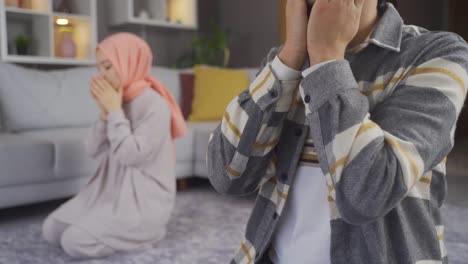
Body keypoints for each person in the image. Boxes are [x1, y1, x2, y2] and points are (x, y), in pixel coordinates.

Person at [207, 0, 468, 263]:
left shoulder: (437, 53)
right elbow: (227, 175)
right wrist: (292, 54)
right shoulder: (285, 59)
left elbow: (368, 194)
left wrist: (326, 58)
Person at [42, 33, 187, 259]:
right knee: (51, 230)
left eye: (107, 67)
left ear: (129, 63)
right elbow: (91, 149)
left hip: (143, 203)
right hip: (107, 194)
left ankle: (148, 234)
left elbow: (131, 155)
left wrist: (115, 112)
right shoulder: (118, 99)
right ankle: (111, 227)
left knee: (73, 242)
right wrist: (104, 114)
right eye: (99, 68)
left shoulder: (155, 105)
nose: (101, 75)